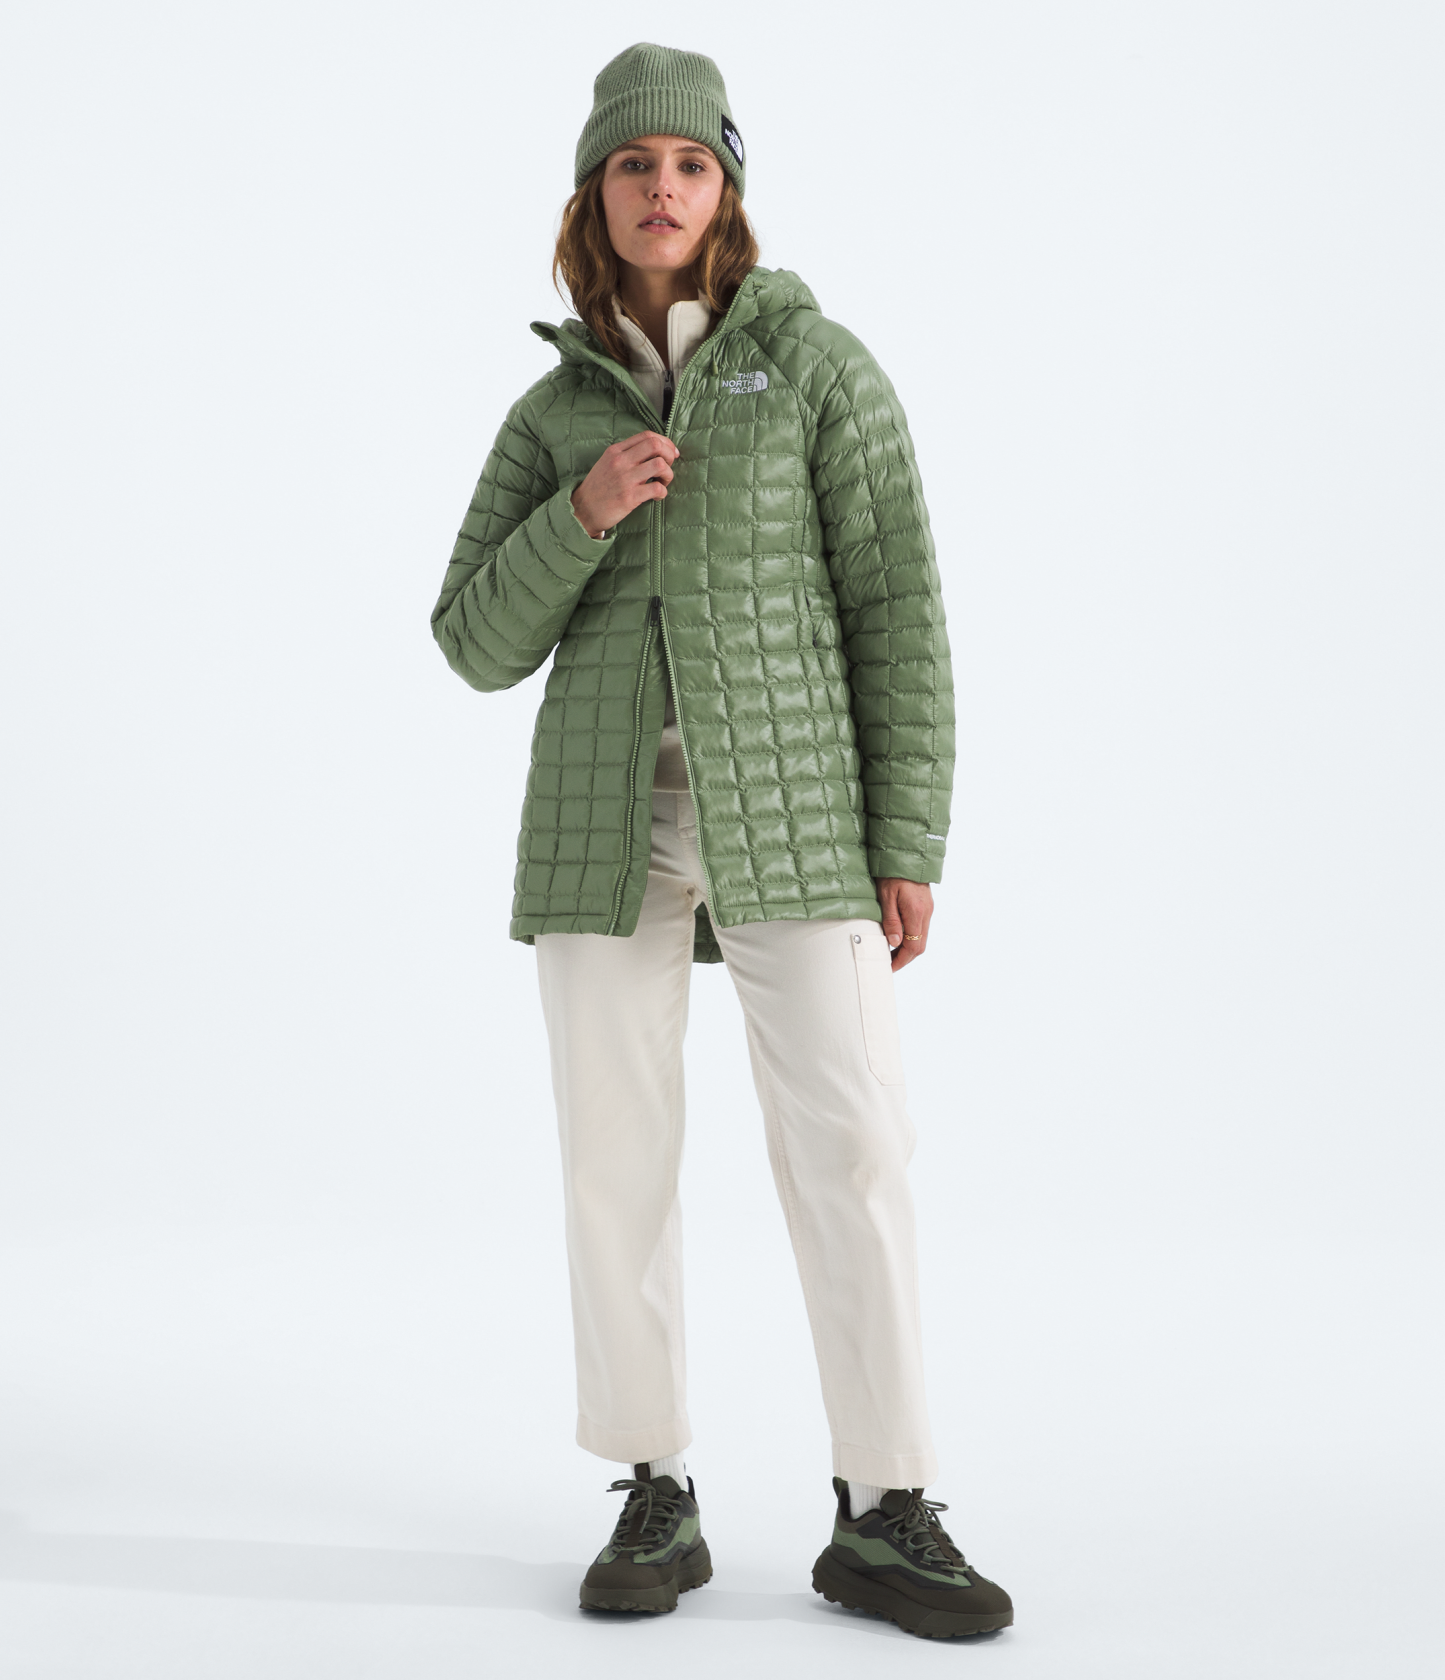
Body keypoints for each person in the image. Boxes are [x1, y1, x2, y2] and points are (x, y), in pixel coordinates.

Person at [430, 42, 1013, 1641]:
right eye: (635, 163)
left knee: (855, 1144)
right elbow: (470, 641)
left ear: (726, 190)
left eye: (691, 163)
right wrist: (584, 514)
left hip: (800, 814)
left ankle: (885, 1508)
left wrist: (908, 833)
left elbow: (898, 608)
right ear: (595, 192)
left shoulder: (818, 369)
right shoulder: (554, 412)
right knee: (612, 1158)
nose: (663, 187)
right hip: (601, 827)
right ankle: (654, 1488)